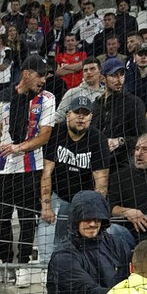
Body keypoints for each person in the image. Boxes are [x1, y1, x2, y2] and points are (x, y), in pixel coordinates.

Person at [0, 55, 56, 288]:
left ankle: (23, 265)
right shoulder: (0, 99)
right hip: (3, 170)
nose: (43, 80)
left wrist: (18, 148)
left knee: (27, 218)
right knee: (1, 219)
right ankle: (4, 263)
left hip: (30, 168)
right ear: (26, 73)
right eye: (40, 74)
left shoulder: (47, 99)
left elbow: (44, 136)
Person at [40, 96, 111, 253]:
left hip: (83, 198)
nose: (81, 117)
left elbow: (101, 182)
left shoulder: (98, 139)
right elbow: (46, 172)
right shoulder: (56, 133)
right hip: (57, 195)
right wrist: (46, 206)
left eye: (85, 114)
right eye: (76, 112)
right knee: (47, 242)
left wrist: (93, 210)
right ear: (67, 114)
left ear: (91, 117)